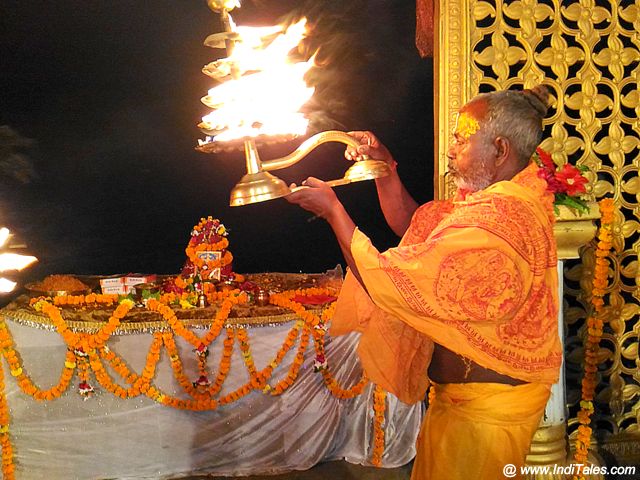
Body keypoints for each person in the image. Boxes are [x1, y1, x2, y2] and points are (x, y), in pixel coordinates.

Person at [286, 85, 562, 479]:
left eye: (462, 140)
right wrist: (384, 166)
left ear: (500, 151)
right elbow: (417, 224)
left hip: (486, 416)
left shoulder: (502, 218)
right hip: (462, 406)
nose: (452, 150)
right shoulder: (495, 206)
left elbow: (388, 279)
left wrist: (333, 212)